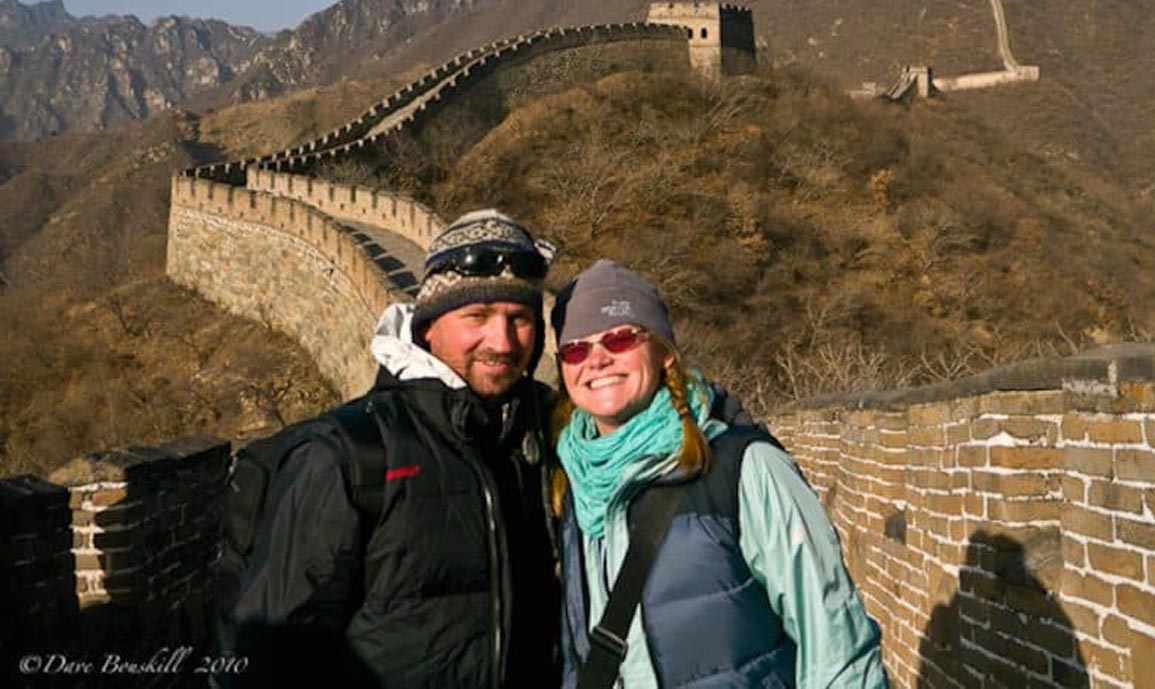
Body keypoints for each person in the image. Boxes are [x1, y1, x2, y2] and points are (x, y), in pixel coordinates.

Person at [228, 209, 561, 689]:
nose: (503, 341)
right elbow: (272, 655)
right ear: (428, 328)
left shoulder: (539, 431)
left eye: (520, 319)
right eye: (478, 316)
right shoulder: (349, 452)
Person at [551, 260, 888, 689]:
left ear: (664, 352)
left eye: (619, 339)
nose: (596, 360)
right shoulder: (574, 483)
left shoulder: (745, 468)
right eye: (577, 349)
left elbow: (837, 650)